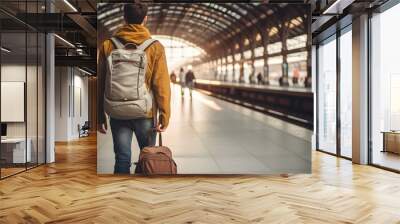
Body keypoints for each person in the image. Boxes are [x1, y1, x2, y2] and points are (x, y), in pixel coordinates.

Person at [97, 2, 171, 174]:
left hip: (116, 112)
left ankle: (122, 195)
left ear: (124, 18)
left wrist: (99, 116)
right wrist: (165, 115)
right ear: (145, 19)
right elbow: (162, 85)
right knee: (147, 157)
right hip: (144, 113)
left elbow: (101, 82)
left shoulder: (108, 45)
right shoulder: (155, 47)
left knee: (122, 157)